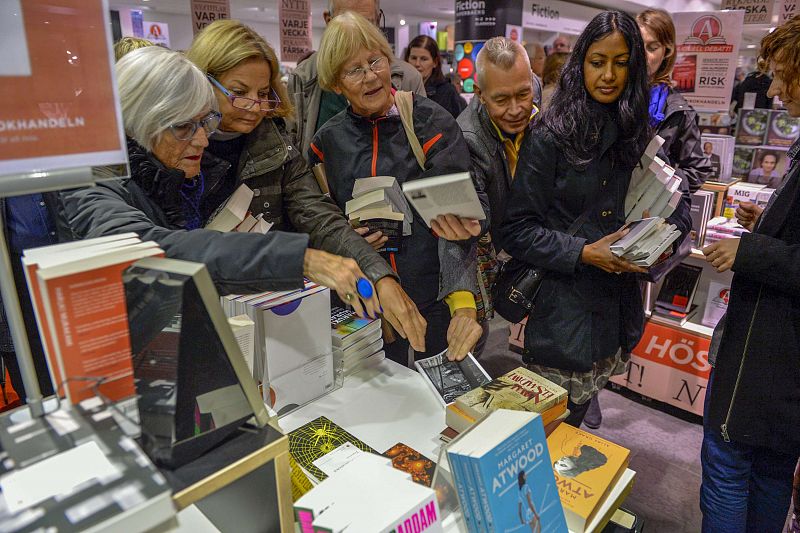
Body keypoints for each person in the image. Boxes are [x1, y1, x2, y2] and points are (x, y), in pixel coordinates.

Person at [60, 47, 386, 323]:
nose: (202, 139)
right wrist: (301, 259)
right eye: (184, 126)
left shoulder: (172, 178)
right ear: (139, 123)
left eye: (205, 122)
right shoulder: (93, 184)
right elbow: (148, 250)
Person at [499, 10, 692, 427]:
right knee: (542, 437)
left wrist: (662, 238)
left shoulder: (638, 130)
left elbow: (676, 199)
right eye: (598, 61)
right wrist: (584, 252)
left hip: (616, 309)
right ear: (581, 62)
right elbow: (516, 230)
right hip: (562, 314)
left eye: (621, 63)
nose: (608, 74)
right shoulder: (549, 133)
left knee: (573, 437)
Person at [184, 19, 426, 347]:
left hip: (262, 313)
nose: (255, 106)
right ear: (201, 81)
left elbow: (318, 216)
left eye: (263, 93)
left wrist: (377, 274)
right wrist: (303, 259)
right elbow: (173, 248)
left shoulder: (275, 144)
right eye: (239, 93)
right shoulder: (172, 152)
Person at [308, 12, 485, 365]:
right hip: (366, 302)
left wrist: (463, 301)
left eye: (374, 61)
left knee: (439, 402)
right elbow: (319, 219)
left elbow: (459, 219)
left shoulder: (432, 122)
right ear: (336, 84)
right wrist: (348, 235)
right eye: (354, 70)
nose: (370, 76)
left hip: (435, 298)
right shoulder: (327, 141)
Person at [700, 15, 800, 531]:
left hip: (768, 357)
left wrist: (749, 252)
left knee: (728, 463)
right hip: (778, 364)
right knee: (768, 471)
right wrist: (769, 227)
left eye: (786, 75)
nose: (777, 90)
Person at [456, 37, 540, 353]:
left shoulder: (536, 95)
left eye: (523, 93)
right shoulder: (466, 139)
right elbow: (474, 222)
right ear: (479, 94)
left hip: (531, 229)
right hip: (488, 242)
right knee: (478, 336)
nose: (517, 109)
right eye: (502, 100)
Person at [287, 0, 425, 162]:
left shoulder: (408, 78)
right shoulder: (303, 78)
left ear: (379, 19)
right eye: (346, 20)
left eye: (367, 23)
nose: (357, 31)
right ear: (328, 20)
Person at [637, 8, 712, 194]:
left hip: (643, 211)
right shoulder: (611, 92)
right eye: (637, 46)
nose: (643, 55)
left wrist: (659, 181)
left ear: (667, 51)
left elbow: (698, 170)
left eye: (652, 48)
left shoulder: (677, 108)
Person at [405, 35, 466, 119]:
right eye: (413, 58)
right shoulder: (401, 88)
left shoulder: (447, 92)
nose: (417, 64)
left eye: (424, 59)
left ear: (435, 62)